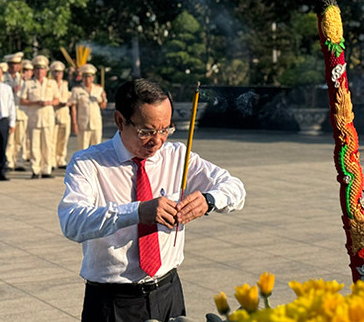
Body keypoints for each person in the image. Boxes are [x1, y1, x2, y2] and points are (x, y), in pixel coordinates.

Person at [58, 79, 246, 322]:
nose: (157, 140)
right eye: (146, 131)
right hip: (112, 301)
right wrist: (136, 212)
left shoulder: (177, 156)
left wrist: (209, 200)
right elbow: (73, 223)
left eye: (165, 129)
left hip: (167, 293)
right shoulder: (89, 163)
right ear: (120, 121)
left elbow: (235, 187)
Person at [20, 55, 58, 179]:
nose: (39, 71)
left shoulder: (51, 83)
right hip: (34, 117)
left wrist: (49, 102)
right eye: (37, 69)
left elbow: (57, 99)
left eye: (42, 69)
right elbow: (22, 100)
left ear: (46, 70)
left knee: (47, 144)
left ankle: (46, 169)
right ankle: (35, 169)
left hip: (48, 117)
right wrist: (35, 102)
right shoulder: (28, 83)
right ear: (34, 70)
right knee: (34, 145)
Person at [70, 64, 107, 151]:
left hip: (96, 122)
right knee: (83, 147)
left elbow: (103, 106)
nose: (87, 79)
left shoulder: (98, 89)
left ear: (93, 78)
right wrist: (74, 124)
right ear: (82, 77)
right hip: (83, 123)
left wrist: (103, 98)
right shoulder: (76, 90)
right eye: (85, 77)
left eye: (90, 77)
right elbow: (73, 108)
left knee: (97, 147)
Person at [50, 61, 71, 168]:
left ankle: (61, 159)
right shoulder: (49, 84)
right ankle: (52, 160)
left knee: (63, 139)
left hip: (64, 114)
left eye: (59, 72)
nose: (57, 75)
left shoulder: (66, 84)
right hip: (53, 113)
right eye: (55, 72)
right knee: (52, 139)